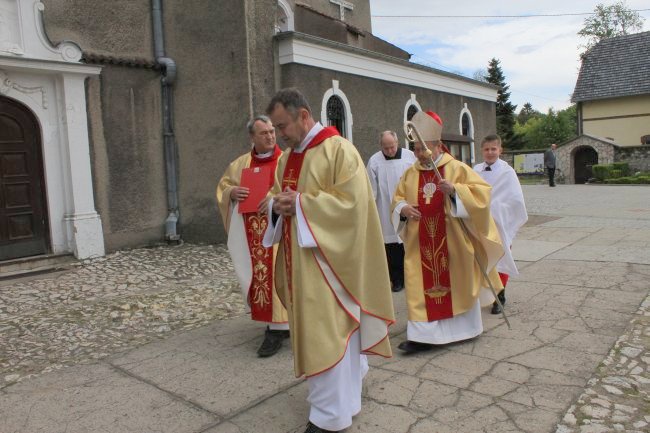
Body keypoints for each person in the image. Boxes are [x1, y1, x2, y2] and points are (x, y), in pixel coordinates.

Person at [262, 88, 394, 433]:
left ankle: (328, 416)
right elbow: (276, 198)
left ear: (304, 115)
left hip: (332, 268)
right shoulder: (285, 159)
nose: (279, 135)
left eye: (283, 126)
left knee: (329, 336)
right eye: (275, 128)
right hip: (300, 266)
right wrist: (276, 206)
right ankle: (344, 400)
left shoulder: (339, 151)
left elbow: (354, 207)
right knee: (326, 336)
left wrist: (303, 205)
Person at [391, 110, 503, 354]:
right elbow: (397, 199)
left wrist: (456, 191)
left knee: (456, 281)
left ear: (438, 146)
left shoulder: (455, 168)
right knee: (419, 284)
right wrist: (403, 208)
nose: (420, 154)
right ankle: (421, 336)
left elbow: (482, 194)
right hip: (420, 244)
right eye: (416, 150)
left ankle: (463, 330)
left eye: (424, 149)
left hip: (452, 241)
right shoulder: (410, 174)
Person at [216, 115, 289, 357]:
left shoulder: (287, 160)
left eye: (272, 131)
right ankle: (275, 328)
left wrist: (276, 201)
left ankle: (289, 323)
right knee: (263, 278)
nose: (270, 136)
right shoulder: (240, 165)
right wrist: (231, 192)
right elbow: (223, 188)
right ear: (252, 137)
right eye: (264, 133)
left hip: (284, 232)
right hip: (254, 235)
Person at [473, 134, 528, 314]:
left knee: (500, 258)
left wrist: (495, 208)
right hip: (480, 224)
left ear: (500, 150)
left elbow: (515, 201)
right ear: (482, 150)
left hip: (500, 223)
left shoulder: (507, 172)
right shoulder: (475, 171)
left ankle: (500, 295)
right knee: (481, 259)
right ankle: (482, 294)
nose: (490, 152)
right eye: (487, 149)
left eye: (493, 149)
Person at [366, 131, 416, 292]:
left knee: (410, 242)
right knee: (392, 245)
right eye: (386, 148)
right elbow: (371, 189)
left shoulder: (410, 157)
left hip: (408, 206)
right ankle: (397, 279)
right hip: (385, 207)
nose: (390, 151)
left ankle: (413, 278)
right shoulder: (374, 161)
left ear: (397, 142)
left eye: (392, 147)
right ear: (381, 146)